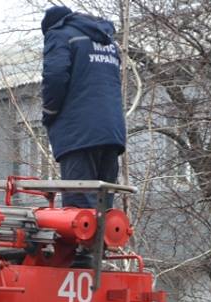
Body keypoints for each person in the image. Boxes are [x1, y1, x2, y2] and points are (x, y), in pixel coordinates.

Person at [40, 5, 126, 210]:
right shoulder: (108, 41)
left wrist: (49, 112)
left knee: (79, 214)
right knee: (103, 213)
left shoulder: (59, 34)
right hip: (112, 134)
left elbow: (55, 77)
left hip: (78, 134)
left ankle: (83, 243)